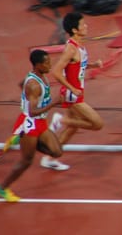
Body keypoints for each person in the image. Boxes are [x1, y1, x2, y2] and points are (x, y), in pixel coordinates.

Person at [0, 50, 64, 202]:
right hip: (29, 124)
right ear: (38, 65)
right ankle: (2, 188)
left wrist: (25, 97)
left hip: (41, 122)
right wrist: (54, 103)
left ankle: (19, 138)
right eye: (47, 63)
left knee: (56, 152)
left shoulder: (37, 76)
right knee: (27, 161)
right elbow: (32, 112)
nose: (50, 65)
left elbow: (21, 84)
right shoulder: (33, 85)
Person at [47, 12, 104, 171]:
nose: (86, 26)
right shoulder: (71, 48)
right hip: (72, 95)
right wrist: (72, 88)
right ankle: (60, 120)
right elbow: (56, 72)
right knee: (97, 124)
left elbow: (77, 66)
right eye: (82, 24)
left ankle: (51, 158)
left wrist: (93, 65)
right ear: (74, 29)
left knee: (73, 129)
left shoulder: (79, 46)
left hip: (76, 92)